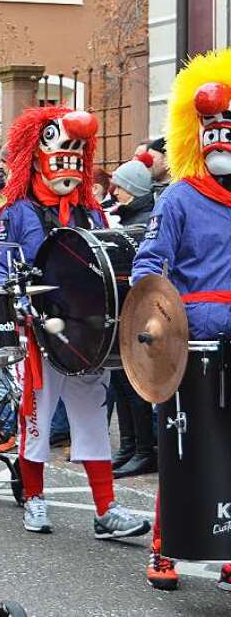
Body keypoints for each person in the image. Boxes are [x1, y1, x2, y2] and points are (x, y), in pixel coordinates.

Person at [0, 106, 149, 542]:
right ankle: (34, 497)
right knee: (35, 416)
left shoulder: (91, 214)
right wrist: (15, 301)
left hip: (86, 332)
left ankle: (106, 509)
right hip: (40, 330)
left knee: (91, 418)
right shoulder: (15, 211)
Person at [133, 49, 231, 591]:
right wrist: (160, 319)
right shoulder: (178, 198)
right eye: (212, 126)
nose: (222, 135)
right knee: (181, 449)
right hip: (190, 348)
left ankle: (228, 547)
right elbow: (148, 266)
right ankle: (165, 549)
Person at [110, 158, 155, 227]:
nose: (115, 193)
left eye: (119, 187)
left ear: (133, 190)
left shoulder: (142, 224)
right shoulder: (127, 215)